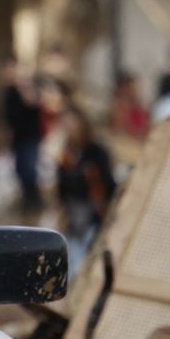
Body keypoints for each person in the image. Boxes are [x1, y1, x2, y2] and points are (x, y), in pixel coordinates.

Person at [55, 106, 116, 251]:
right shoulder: (66, 156)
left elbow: (108, 184)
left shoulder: (96, 153)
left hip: (95, 217)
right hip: (74, 219)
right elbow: (62, 189)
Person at [0, 59, 44, 214]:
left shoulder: (26, 88)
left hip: (29, 138)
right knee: (21, 171)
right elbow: (8, 121)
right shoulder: (9, 93)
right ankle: (28, 202)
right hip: (18, 139)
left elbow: (33, 102)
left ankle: (34, 203)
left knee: (29, 171)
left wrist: (22, 84)